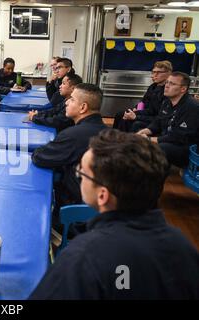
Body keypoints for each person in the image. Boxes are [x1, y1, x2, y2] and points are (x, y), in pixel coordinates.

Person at [30, 129, 199, 299]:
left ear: (102, 195)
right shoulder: (184, 247)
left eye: (82, 173)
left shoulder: (82, 257)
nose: (79, 177)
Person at [32, 84, 107, 221]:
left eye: (72, 99)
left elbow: (40, 157)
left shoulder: (73, 136)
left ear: (83, 107)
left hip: (74, 211)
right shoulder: (110, 133)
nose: (66, 102)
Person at [137, 72, 199, 168]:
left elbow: (179, 137)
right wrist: (144, 131)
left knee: (161, 147)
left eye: (172, 84)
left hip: (186, 148)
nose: (167, 86)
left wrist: (150, 139)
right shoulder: (167, 101)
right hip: (168, 138)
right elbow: (158, 121)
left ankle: (153, 176)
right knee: (138, 128)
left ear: (183, 89)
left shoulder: (192, 107)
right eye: (167, 82)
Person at [113, 61, 172, 132]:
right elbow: (143, 102)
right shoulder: (152, 87)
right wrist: (136, 109)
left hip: (156, 118)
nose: (154, 75)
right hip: (146, 113)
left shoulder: (168, 90)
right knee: (120, 114)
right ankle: (113, 138)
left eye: (158, 72)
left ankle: (126, 141)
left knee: (131, 122)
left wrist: (136, 116)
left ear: (168, 73)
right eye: (153, 72)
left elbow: (159, 115)